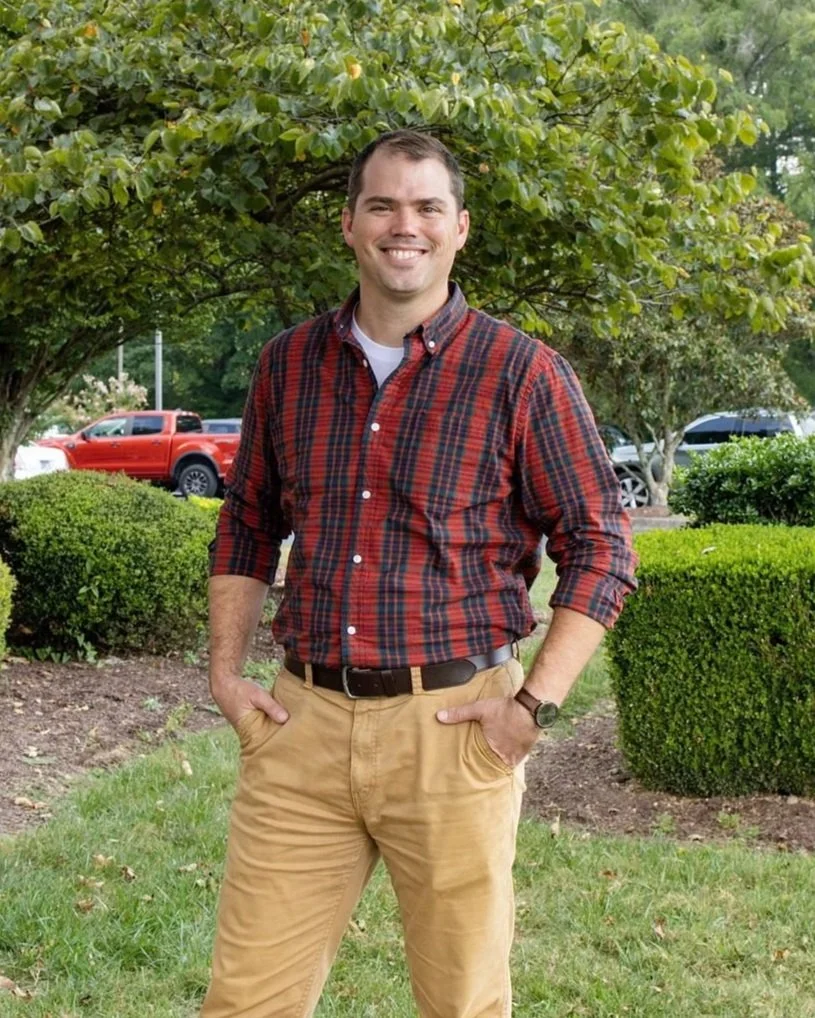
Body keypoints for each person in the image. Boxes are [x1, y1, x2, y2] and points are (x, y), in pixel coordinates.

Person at [202, 129, 637, 1018]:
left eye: (427, 206)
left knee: (460, 1004)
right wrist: (223, 673)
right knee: (245, 1003)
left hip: (453, 730)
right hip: (302, 728)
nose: (406, 225)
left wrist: (531, 710)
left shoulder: (521, 373)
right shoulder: (287, 365)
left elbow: (600, 547)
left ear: (459, 228)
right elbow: (247, 523)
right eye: (384, 205)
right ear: (350, 225)